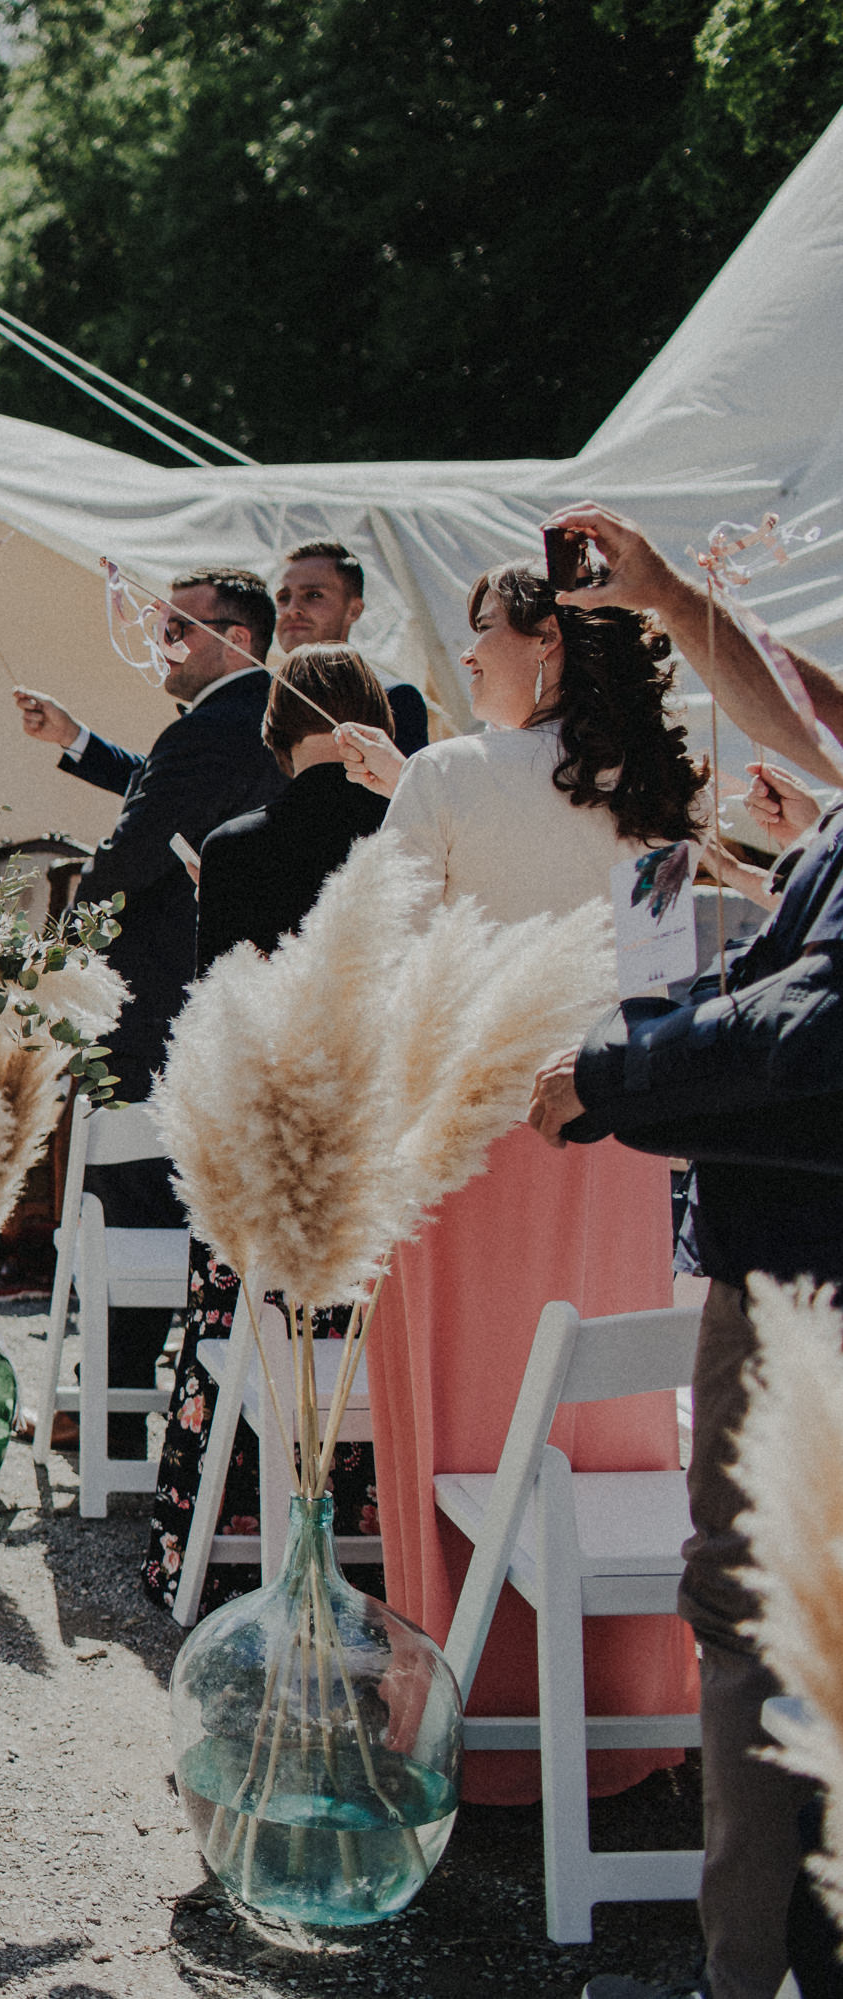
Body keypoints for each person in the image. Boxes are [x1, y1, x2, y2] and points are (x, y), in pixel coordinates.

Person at [524, 503, 843, 1999]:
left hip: (806, 1277)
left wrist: (610, 1073)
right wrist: (656, 595)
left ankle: (745, 1971)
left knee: (750, 1601)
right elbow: (803, 710)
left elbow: (808, 1035)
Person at [334, 558, 707, 1808]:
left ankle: (445, 1718)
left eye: (481, 636)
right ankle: (617, 1715)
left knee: (452, 1418)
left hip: (460, 1147)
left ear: (541, 644)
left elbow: (377, 963)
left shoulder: (445, 775)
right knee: (598, 1417)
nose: (468, 657)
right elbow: (657, 992)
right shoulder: (656, 795)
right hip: (609, 1144)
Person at [11, 566, 287, 1463]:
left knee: (124, 1198)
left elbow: (134, 849)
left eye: (177, 629)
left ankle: (109, 1421)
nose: (156, 642)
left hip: (157, 997)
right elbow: (165, 796)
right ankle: (120, 1406)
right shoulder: (257, 718)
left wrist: (67, 916)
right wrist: (79, 740)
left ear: (235, 639)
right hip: (216, 996)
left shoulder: (211, 728)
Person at [143, 644, 394, 1608]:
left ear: (273, 730)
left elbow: (215, 1014)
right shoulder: (404, 839)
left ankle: (210, 1552)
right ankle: (369, 1548)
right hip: (373, 1156)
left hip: (261, 1157)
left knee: (235, 1338)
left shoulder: (238, 845)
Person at [274, 540, 431, 753]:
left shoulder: (390, 698)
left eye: (313, 595)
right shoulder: (256, 696)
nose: (292, 610)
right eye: (284, 598)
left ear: (354, 610)